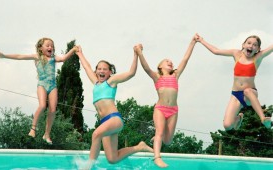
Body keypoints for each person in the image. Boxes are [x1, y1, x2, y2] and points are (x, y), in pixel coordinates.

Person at [75, 45, 153, 168]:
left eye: (105, 69)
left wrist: (136, 54)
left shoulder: (111, 81)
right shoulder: (95, 83)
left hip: (114, 119)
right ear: (96, 71)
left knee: (96, 135)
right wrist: (79, 54)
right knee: (112, 158)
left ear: (110, 72)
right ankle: (140, 147)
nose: (101, 71)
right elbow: (86, 67)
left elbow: (131, 73)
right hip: (105, 123)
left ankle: (89, 166)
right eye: (99, 69)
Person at [0, 37, 79, 144]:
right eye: (48, 45)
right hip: (42, 85)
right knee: (42, 105)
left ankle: (47, 134)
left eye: (52, 46)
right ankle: (33, 129)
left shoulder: (54, 58)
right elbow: (20, 56)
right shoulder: (37, 57)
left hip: (53, 86)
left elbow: (63, 58)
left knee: (53, 110)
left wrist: (73, 50)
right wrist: (4, 56)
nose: (51, 47)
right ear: (40, 48)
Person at [134, 34, 198, 168]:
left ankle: (156, 139)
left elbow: (185, 59)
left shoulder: (176, 75)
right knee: (160, 133)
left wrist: (193, 42)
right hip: (160, 109)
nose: (170, 62)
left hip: (173, 111)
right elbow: (146, 67)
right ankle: (157, 157)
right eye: (167, 61)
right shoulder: (157, 77)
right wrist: (139, 52)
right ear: (160, 66)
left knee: (168, 141)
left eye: (171, 61)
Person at [195, 34, 272, 130]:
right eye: (249, 43)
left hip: (250, 94)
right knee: (227, 126)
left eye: (255, 45)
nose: (251, 46)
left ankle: (263, 118)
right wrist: (201, 40)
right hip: (235, 95)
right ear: (243, 45)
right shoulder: (236, 54)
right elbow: (216, 51)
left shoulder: (257, 58)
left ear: (258, 49)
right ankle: (239, 118)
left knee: (247, 91)